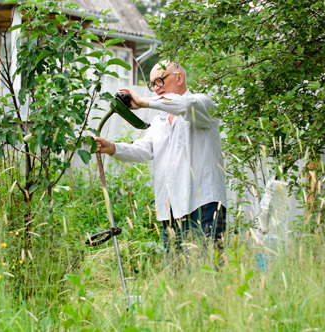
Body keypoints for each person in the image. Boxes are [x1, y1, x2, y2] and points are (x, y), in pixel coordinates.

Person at [94, 61, 227, 259]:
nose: (156, 89)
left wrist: (142, 101)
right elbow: (144, 149)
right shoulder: (160, 120)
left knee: (207, 274)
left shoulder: (202, 104)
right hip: (171, 210)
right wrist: (113, 148)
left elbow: (185, 104)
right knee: (175, 277)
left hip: (204, 206)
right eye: (152, 85)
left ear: (179, 78)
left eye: (159, 81)